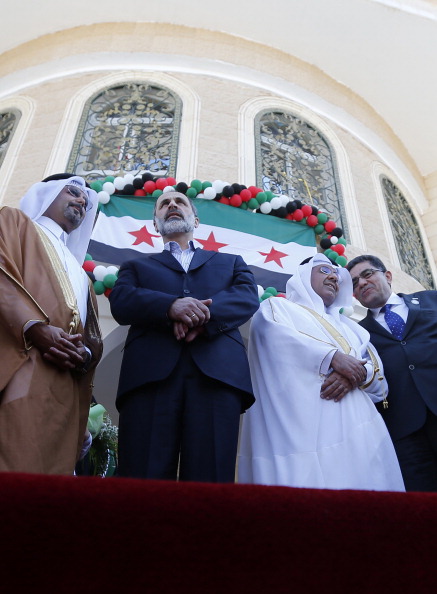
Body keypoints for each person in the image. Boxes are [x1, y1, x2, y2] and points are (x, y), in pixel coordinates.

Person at [109, 190, 259, 482]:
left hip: (217, 376)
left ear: (196, 219)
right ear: (155, 223)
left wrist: (203, 319)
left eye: (180, 202)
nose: (172, 205)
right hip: (149, 377)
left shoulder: (231, 262)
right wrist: (169, 307)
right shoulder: (135, 266)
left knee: (211, 479)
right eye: (164, 204)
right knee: (143, 477)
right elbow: (123, 301)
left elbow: (246, 297)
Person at [238, 253, 404, 491]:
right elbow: (275, 340)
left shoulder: (353, 329)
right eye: (325, 271)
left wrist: (353, 375)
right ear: (304, 278)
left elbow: (378, 381)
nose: (334, 278)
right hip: (300, 433)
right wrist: (332, 358)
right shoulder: (278, 308)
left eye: (337, 275)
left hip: (362, 437)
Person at [0, 175, 103, 474]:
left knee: (53, 488)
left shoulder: (80, 271)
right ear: (45, 195)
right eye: (73, 192)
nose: (82, 201)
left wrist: (83, 354)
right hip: (23, 362)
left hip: (68, 381)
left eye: (86, 201)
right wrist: (36, 328)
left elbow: (91, 333)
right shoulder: (16, 223)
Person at [347, 254, 437, 491]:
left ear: (387, 275)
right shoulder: (356, 334)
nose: (362, 283)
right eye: (355, 283)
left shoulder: (431, 300)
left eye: (367, 275)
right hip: (404, 431)